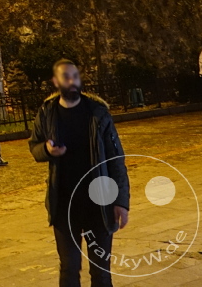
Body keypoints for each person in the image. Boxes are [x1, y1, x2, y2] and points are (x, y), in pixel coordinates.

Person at [29, 58, 130, 287]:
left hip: (99, 204)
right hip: (64, 205)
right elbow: (34, 146)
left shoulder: (97, 113)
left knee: (101, 272)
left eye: (75, 76)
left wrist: (121, 202)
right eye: (66, 76)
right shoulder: (47, 112)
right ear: (55, 81)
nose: (72, 81)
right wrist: (46, 150)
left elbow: (116, 159)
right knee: (69, 269)